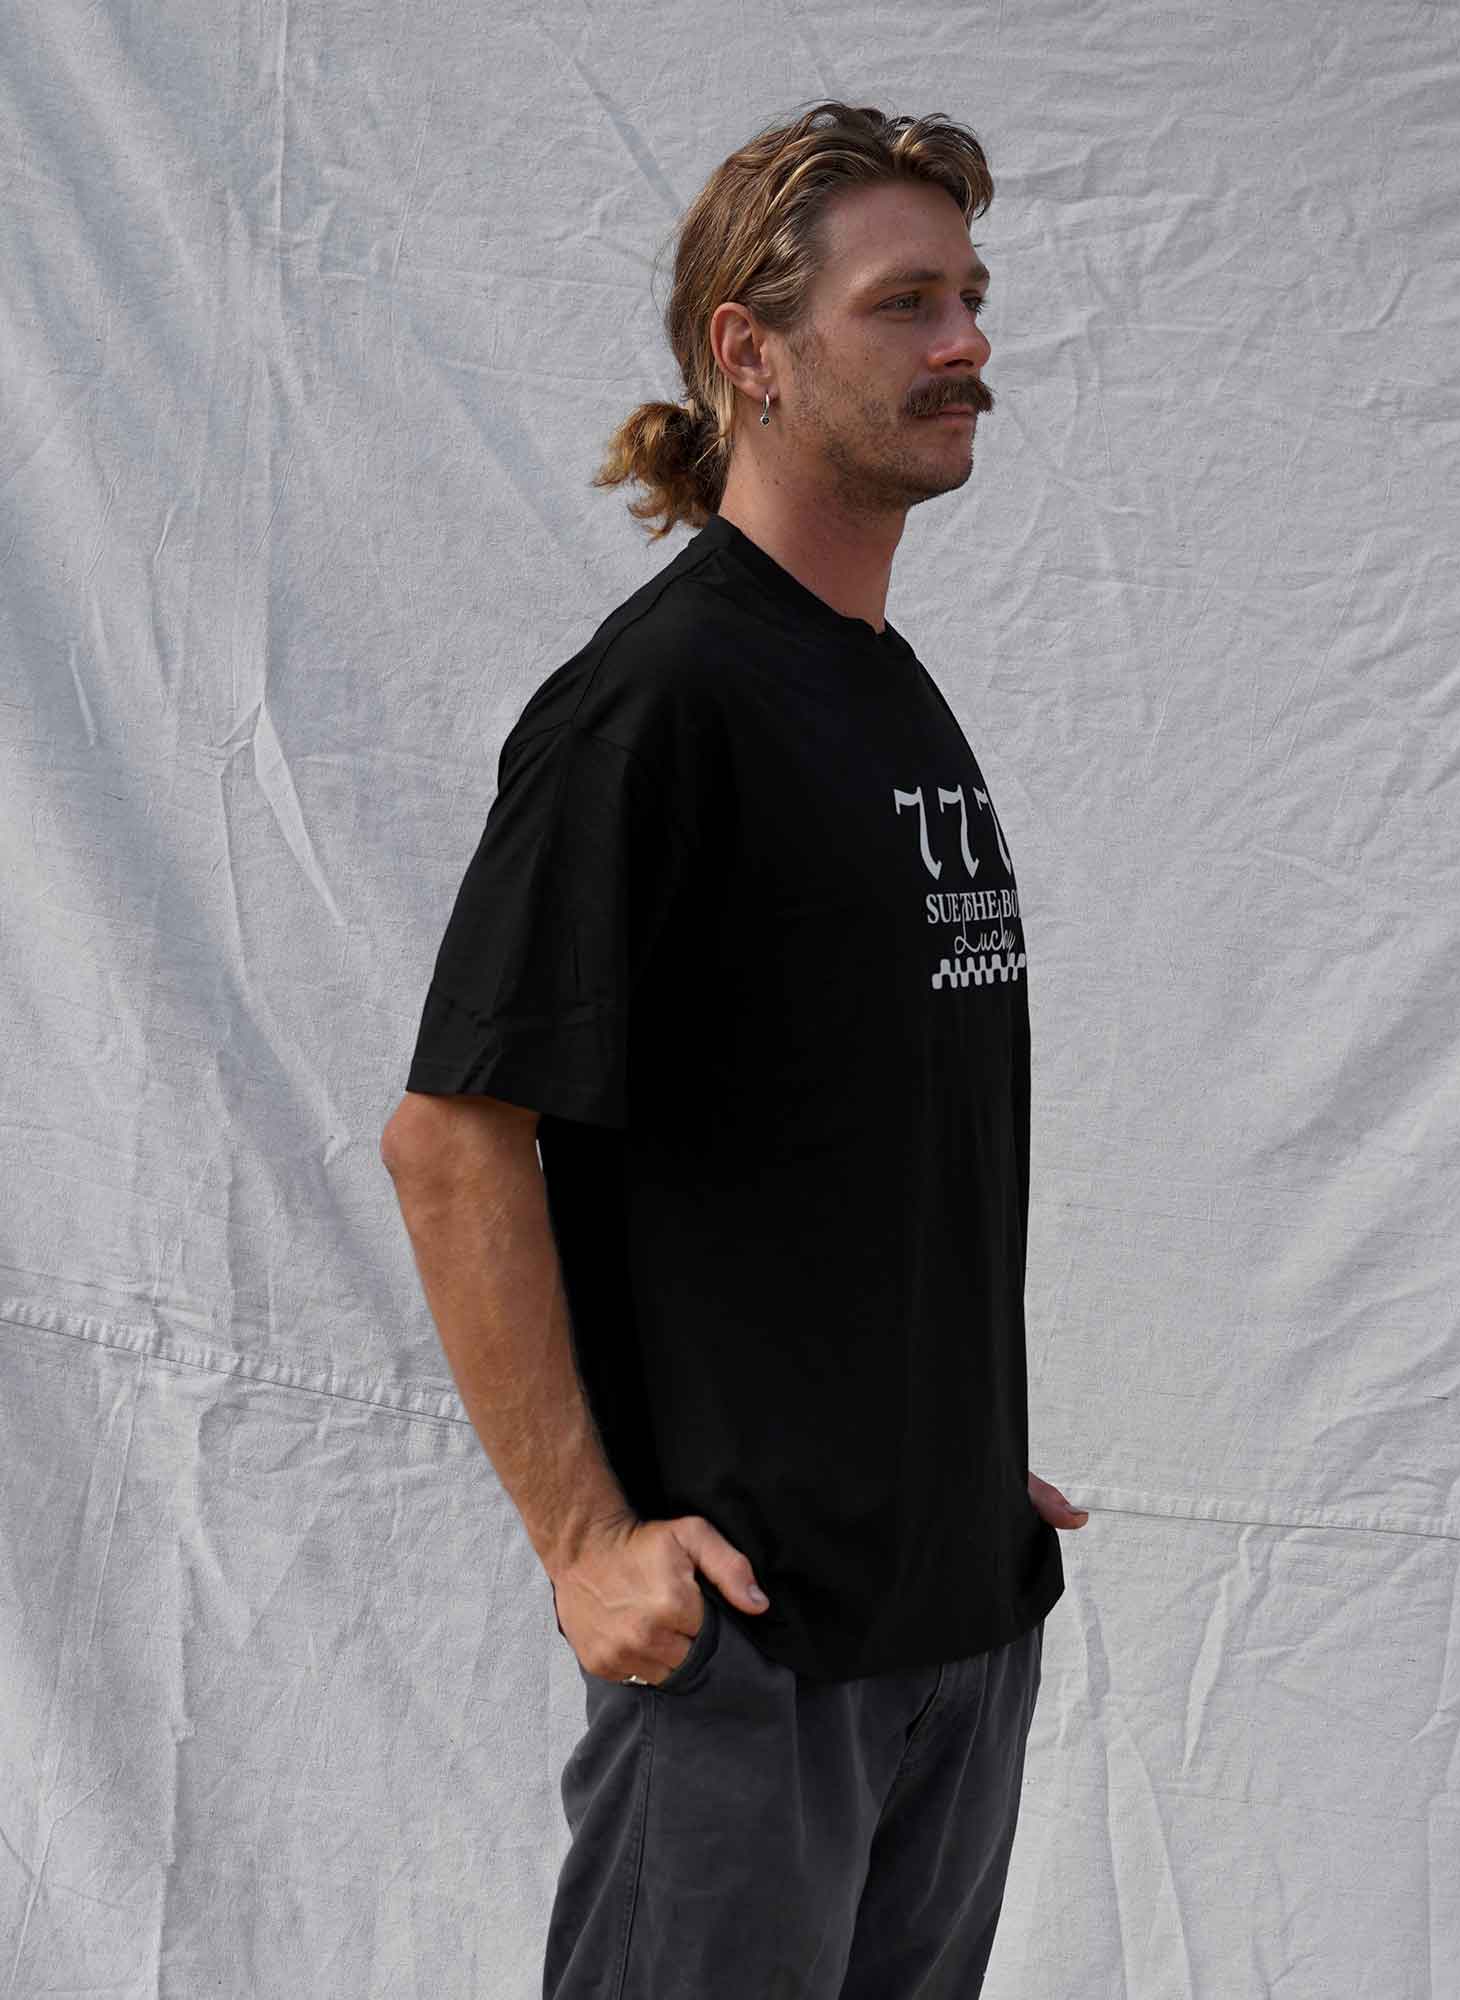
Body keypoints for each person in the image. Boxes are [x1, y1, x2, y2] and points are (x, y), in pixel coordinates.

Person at [381, 97, 1090, 2000]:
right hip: (758, 1660)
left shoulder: (877, 684)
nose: (967, 347)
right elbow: (454, 1139)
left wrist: (945, 1462)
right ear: (749, 352)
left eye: (973, 298)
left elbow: (842, 1125)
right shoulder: (659, 705)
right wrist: (588, 1544)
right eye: (907, 304)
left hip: (947, 1622)